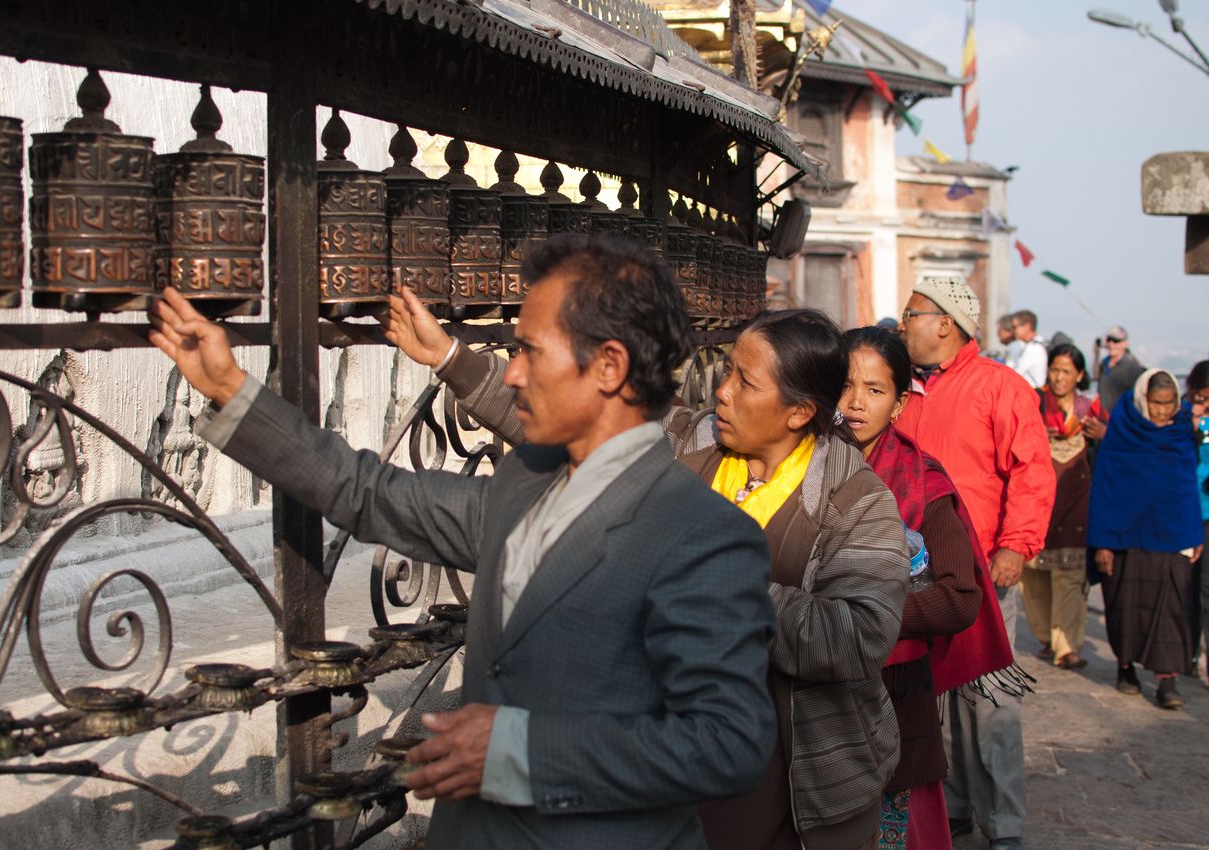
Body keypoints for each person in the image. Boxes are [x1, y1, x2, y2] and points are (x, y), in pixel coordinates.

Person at [149, 234, 780, 850]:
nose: (512, 375)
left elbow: (727, 742)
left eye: (531, 351)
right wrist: (231, 389)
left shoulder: (702, 535)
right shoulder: (524, 481)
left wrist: (520, 751)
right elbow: (371, 493)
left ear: (609, 366)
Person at [388, 292, 909, 850]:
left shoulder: (856, 504)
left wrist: (722, 586)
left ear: (799, 411)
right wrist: (450, 358)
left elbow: (860, 637)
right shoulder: (689, 442)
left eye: (746, 382)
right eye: (729, 371)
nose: (724, 392)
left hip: (795, 776)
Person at [841, 327, 1019, 850]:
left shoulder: (923, 482)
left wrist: (865, 616)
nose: (856, 403)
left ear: (898, 404)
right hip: (807, 688)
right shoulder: (797, 467)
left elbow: (960, 596)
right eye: (845, 385)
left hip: (894, 691)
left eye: (875, 390)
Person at [895, 276, 1055, 850]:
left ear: (944, 323)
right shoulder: (904, 391)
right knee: (933, 701)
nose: (902, 322)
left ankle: (1005, 826)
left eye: (911, 313)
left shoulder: (1000, 386)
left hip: (985, 569)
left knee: (988, 704)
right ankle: (957, 806)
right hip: (917, 574)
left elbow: (1033, 472)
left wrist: (1017, 544)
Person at [1089, 368, 1204, 710]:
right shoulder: (1124, 427)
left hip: (1171, 534)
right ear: (1143, 398)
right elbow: (1107, 488)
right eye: (1156, 403)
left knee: (1173, 608)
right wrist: (1104, 542)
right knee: (1126, 604)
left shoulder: (1182, 430)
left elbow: (1185, 486)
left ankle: (1167, 681)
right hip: (1124, 535)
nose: (1162, 412)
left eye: (1169, 404)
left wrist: (1193, 533)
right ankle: (1126, 669)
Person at [1020, 343, 1095, 670]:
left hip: (1077, 503)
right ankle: (1047, 639)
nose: (1060, 377)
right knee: (1034, 576)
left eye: (1067, 371)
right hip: (1038, 501)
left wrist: (1102, 434)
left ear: (1079, 374)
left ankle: (1067, 646)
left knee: (1070, 574)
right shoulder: (1034, 403)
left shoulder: (1090, 411)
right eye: (1055, 370)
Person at [1185, 361, 1209, 680]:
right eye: (1200, 397)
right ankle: (1187, 651)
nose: (1204, 404)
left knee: (1206, 587)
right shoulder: (1181, 421)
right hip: (1184, 512)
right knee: (1185, 587)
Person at [1091, 324, 1144, 415]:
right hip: (1104, 415)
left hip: (1122, 416)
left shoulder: (1131, 366)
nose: (1111, 345)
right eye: (1109, 340)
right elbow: (1096, 376)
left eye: (1116, 341)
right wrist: (1096, 354)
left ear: (1125, 344)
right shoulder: (1105, 362)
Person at [1008, 309, 1047, 389]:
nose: (1013, 331)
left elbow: (1016, 374)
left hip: (1034, 393)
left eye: (1015, 327)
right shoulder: (1035, 345)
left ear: (1027, 326)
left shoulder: (1033, 348)